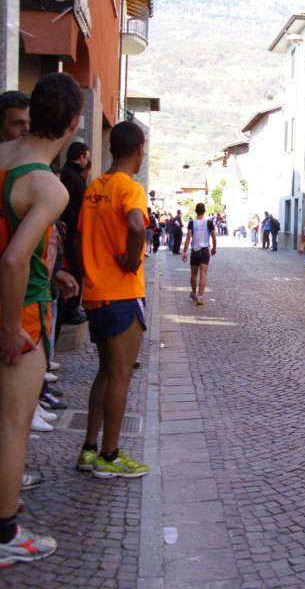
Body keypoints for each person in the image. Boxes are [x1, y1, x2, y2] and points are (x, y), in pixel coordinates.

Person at [0, 72, 83, 567]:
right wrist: (12, 329)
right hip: (21, 312)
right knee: (13, 426)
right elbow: (13, 259)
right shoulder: (48, 186)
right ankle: (6, 533)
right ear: (73, 123)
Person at [75, 120, 150, 479]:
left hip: (95, 293)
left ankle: (89, 449)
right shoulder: (129, 188)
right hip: (121, 293)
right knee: (120, 375)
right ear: (139, 151)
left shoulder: (94, 187)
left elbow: (79, 238)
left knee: (105, 372)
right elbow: (137, 226)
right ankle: (110, 455)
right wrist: (132, 261)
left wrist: (89, 270)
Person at [59, 141, 90, 325]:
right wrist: (77, 223)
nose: (87, 161)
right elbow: (67, 204)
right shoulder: (69, 175)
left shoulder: (73, 174)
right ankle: (70, 311)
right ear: (81, 156)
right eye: (87, 156)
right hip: (72, 231)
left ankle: (73, 308)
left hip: (75, 230)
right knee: (75, 270)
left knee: (78, 270)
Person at [182, 202, 217, 306]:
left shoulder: (191, 223)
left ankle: (194, 293)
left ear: (195, 211)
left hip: (195, 251)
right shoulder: (209, 223)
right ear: (204, 211)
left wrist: (184, 252)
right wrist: (214, 248)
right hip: (205, 251)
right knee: (203, 274)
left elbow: (188, 238)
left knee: (193, 274)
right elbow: (214, 237)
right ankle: (200, 297)